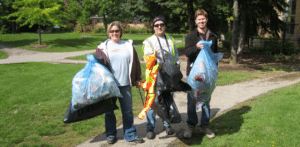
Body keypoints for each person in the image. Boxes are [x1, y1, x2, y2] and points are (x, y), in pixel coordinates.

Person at [96, 21, 144, 144]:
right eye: (112, 31)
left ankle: (130, 135)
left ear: (121, 32)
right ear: (108, 33)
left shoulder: (128, 45)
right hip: (110, 86)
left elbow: (136, 63)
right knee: (109, 111)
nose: (115, 33)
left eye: (117, 31)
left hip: (125, 84)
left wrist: (138, 77)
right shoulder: (102, 47)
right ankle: (111, 135)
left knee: (127, 111)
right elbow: (97, 67)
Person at [142, 16, 179, 139]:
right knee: (153, 103)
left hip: (169, 76)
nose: (159, 27)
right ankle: (150, 128)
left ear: (165, 26)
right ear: (153, 27)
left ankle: (167, 125)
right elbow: (148, 60)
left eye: (161, 24)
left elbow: (176, 57)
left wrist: (176, 65)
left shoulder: (170, 40)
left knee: (167, 101)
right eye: (156, 25)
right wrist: (154, 56)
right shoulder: (149, 41)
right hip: (155, 77)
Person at [183, 9, 218, 139]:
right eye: (199, 19)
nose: (201, 21)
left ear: (206, 19)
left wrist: (214, 73)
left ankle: (205, 126)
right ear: (196, 21)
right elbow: (187, 52)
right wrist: (196, 47)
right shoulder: (191, 36)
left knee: (206, 101)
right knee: (192, 100)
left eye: (203, 19)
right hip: (194, 74)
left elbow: (214, 56)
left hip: (207, 75)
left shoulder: (213, 36)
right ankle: (191, 125)